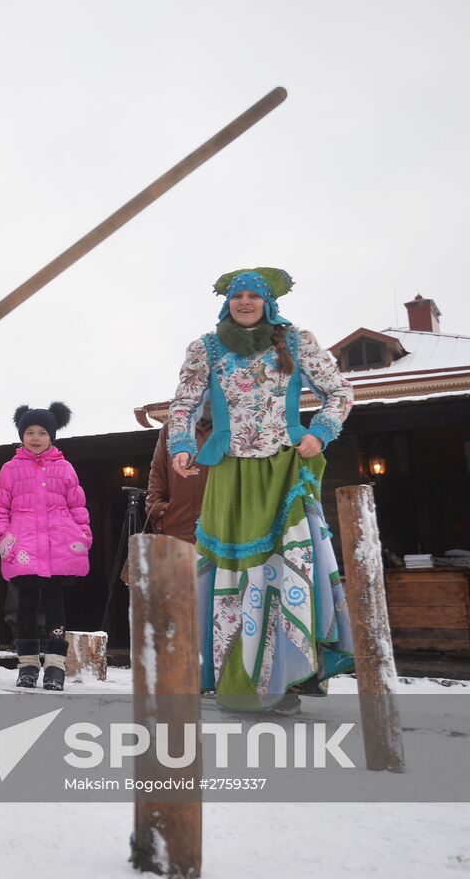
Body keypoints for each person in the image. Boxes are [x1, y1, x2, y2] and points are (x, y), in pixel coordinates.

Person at [166, 267, 355, 712]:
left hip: (284, 471)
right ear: (226, 303)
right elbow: (184, 403)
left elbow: (340, 392)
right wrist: (179, 444)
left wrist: (320, 433)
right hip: (228, 473)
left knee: (285, 570)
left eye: (254, 296)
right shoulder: (206, 348)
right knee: (230, 573)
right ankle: (233, 678)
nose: (245, 302)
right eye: (238, 296)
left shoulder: (296, 341)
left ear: (269, 304)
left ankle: (287, 679)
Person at [0, 402, 90, 691]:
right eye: (30, 432)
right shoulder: (10, 469)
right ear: (22, 435)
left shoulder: (65, 468)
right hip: (24, 549)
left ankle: (56, 666)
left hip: (58, 547)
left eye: (42, 432)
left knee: (55, 606)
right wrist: (2, 536)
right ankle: (28, 665)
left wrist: (83, 535)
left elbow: (78, 507)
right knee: (26, 606)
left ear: (52, 436)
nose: (36, 437)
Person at [146, 415, 211, 544]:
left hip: (222, 531)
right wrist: (156, 507)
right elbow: (157, 473)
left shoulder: (233, 426)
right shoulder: (171, 429)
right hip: (178, 528)